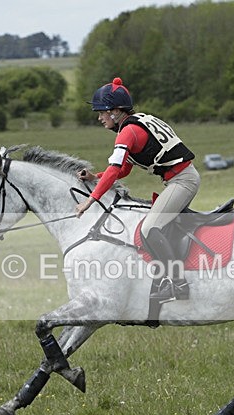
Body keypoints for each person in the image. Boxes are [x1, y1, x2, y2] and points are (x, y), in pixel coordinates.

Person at [75, 77, 200, 302]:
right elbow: (122, 170)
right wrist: (95, 177)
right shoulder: (136, 123)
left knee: (150, 228)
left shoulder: (127, 132)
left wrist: (90, 200)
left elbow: (115, 171)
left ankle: (178, 285)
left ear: (115, 111)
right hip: (181, 179)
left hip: (183, 181)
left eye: (102, 112)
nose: (99, 117)